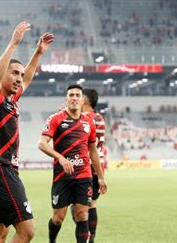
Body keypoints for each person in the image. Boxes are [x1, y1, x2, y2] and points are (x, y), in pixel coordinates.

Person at [0, 21, 54, 243]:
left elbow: (28, 78)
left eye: (19, 75)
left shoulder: (11, 100)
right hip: (0, 169)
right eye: (14, 73)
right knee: (27, 231)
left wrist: (38, 54)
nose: (19, 78)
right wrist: (14, 43)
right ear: (3, 74)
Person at [39, 84, 107, 243]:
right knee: (58, 218)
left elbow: (93, 151)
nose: (74, 98)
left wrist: (101, 178)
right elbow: (42, 144)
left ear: (83, 100)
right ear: (66, 99)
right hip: (62, 176)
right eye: (71, 95)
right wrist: (60, 158)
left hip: (84, 175)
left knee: (82, 214)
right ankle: (52, 240)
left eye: (78, 95)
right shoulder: (55, 118)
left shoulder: (89, 122)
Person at [81, 88, 107, 242]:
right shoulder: (99, 118)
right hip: (98, 166)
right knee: (93, 203)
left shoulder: (83, 118)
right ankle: (92, 237)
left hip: (84, 165)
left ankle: (84, 237)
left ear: (86, 100)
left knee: (80, 205)